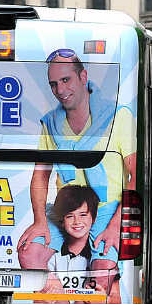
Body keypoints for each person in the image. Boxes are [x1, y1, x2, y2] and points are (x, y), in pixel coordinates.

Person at [17, 50, 137, 289]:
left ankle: (96, 297)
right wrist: (40, 220)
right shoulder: (50, 122)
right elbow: (41, 174)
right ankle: (57, 298)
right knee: (28, 253)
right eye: (53, 84)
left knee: (103, 274)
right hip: (67, 209)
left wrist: (117, 224)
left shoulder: (118, 116)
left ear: (83, 77)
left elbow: (136, 174)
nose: (60, 90)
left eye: (65, 80)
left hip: (106, 209)